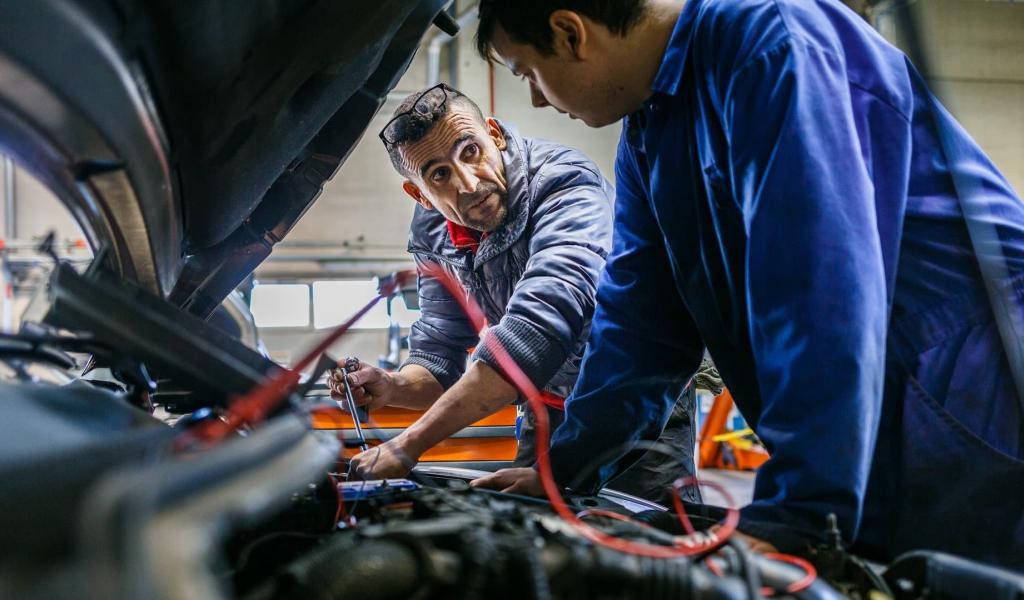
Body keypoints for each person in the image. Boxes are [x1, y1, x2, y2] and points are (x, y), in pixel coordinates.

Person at [469, 0, 1024, 567]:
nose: (536, 97)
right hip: (889, 406)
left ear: (570, 32)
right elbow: (640, 325)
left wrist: (797, 509)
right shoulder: (649, 132)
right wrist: (563, 468)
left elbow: (821, 290)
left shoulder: (774, 44)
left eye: (527, 73)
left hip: (976, 390)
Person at [332, 84, 699, 504]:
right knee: (534, 536)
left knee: (645, 552)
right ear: (420, 195)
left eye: (470, 151)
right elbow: (439, 356)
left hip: (635, 405)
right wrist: (392, 386)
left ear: (496, 135)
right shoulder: (433, 233)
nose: (468, 183)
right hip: (544, 412)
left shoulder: (566, 185)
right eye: (439, 174)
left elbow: (536, 332)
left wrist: (407, 444)